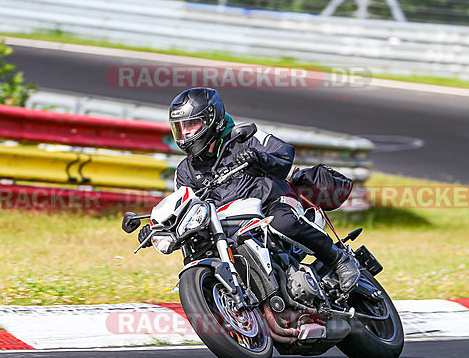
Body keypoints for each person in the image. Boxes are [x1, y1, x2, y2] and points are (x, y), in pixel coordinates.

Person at [140, 87, 360, 291]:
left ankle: (339, 259)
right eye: (180, 128)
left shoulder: (245, 136)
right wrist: (158, 228)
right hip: (227, 223)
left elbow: (284, 155)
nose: (186, 134)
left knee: (283, 222)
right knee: (197, 246)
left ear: (211, 119)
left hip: (269, 204)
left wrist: (260, 158)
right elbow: (185, 205)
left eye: (191, 125)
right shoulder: (186, 170)